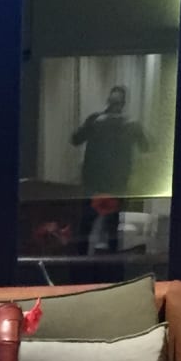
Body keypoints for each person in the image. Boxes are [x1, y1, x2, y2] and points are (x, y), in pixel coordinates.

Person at [70, 84, 150, 253]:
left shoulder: (101, 121)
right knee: (108, 230)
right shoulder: (129, 124)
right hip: (110, 185)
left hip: (100, 185)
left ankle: (82, 262)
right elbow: (146, 147)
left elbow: (75, 139)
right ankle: (108, 263)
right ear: (123, 104)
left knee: (90, 228)